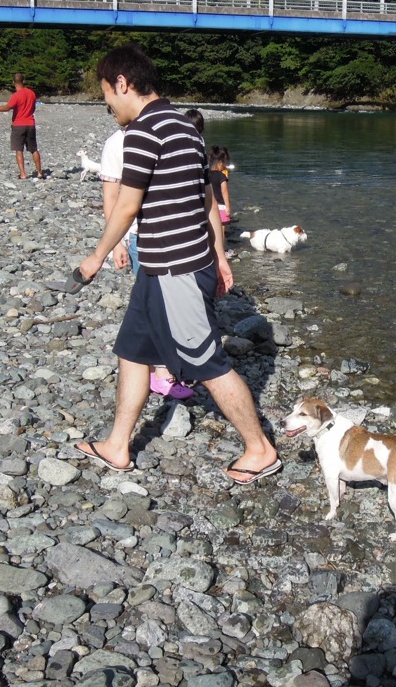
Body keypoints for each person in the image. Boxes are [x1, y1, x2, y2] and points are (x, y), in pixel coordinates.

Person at [73, 43, 280, 485]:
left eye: (106, 93)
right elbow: (206, 199)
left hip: (175, 270)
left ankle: (260, 448)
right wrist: (220, 256)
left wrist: (95, 257)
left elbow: (127, 206)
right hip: (163, 267)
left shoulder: (146, 131)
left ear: (122, 84)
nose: (107, 103)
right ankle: (117, 444)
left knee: (205, 361)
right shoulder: (186, 127)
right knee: (133, 350)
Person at [97, 107, 193, 400]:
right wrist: (117, 243)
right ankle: (161, 371)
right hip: (140, 235)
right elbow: (112, 200)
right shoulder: (116, 144)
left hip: (170, 237)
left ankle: (163, 363)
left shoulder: (159, 134)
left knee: (168, 303)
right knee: (155, 306)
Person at [0, 73, 45, 180]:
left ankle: (23, 174)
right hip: (30, 123)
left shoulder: (16, 95)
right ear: (23, 81)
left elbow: (7, 107)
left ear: (13, 82)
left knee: (19, 149)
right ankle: (39, 172)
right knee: (34, 149)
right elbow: (33, 108)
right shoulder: (31, 93)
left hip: (18, 125)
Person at [208, 145, 232, 226]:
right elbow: (225, 192)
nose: (225, 166)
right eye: (224, 163)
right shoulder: (221, 176)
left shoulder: (206, 175)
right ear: (220, 163)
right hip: (221, 208)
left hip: (210, 207)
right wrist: (228, 207)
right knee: (222, 233)